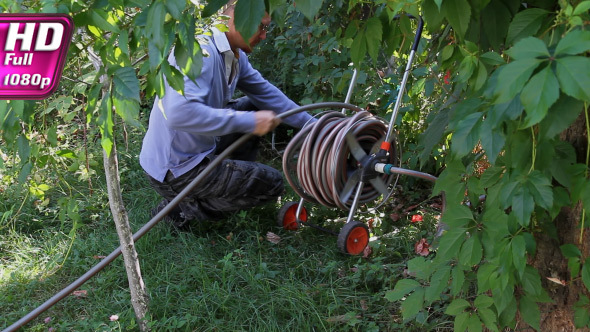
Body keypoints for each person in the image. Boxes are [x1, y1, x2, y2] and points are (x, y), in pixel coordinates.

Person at [139, 2, 314, 229]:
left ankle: (228, 178)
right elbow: (177, 114)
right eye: (260, 27)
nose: (263, 36)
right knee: (271, 184)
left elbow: (266, 94)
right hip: (176, 170)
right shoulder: (200, 51)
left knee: (255, 106)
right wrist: (250, 122)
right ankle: (180, 210)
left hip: (198, 150)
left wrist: (313, 126)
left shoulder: (233, 53)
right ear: (233, 16)